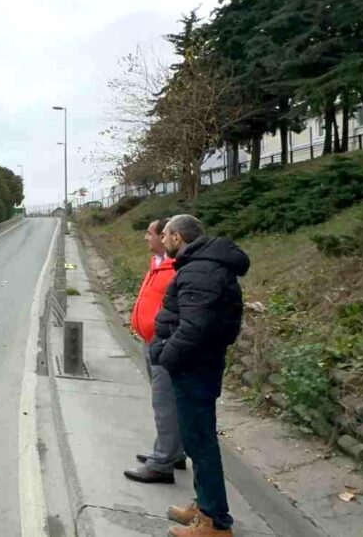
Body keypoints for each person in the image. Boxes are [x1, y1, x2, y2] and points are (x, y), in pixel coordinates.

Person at [151, 214, 250, 537]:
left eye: (165, 235)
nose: (162, 241)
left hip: (194, 367)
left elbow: (193, 326)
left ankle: (214, 521)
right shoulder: (204, 265)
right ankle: (204, 504)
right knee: (196, 440)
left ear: (178, 237)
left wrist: (165, 355)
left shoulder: (199, 270)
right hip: (198, 364)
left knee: (200, 441)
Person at [124, 217, 186, 484]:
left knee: (165, 403)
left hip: (165, 344)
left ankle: (162, 462)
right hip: (151, 341)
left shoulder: (178, 268)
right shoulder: (160, 264)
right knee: (166, 401)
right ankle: (173, 450)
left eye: (150, 233)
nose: (146, 238)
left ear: (166, 237)